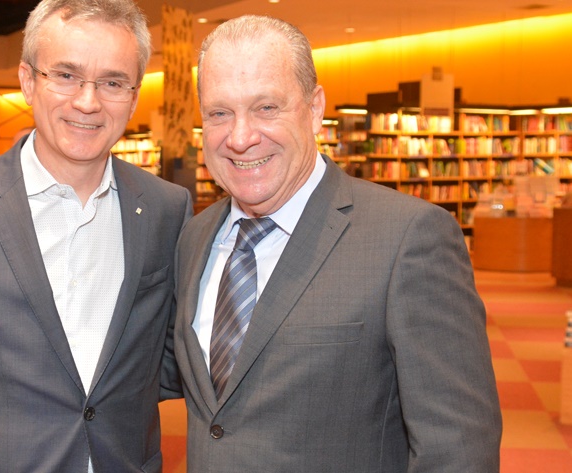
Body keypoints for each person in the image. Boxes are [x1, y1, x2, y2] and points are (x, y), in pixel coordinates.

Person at [173, 15, 502, 472]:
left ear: (313, 108)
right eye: (219, 113)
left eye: (267, 107)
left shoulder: (407, 239)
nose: (241, 137)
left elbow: (458, 448)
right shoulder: (195, 237)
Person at [0, 0, 191, 471]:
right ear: (27, 81)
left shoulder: (167, 207)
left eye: (112, 82)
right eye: (65, 75)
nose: (88, 101)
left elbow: (164, 358)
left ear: (134, 94)